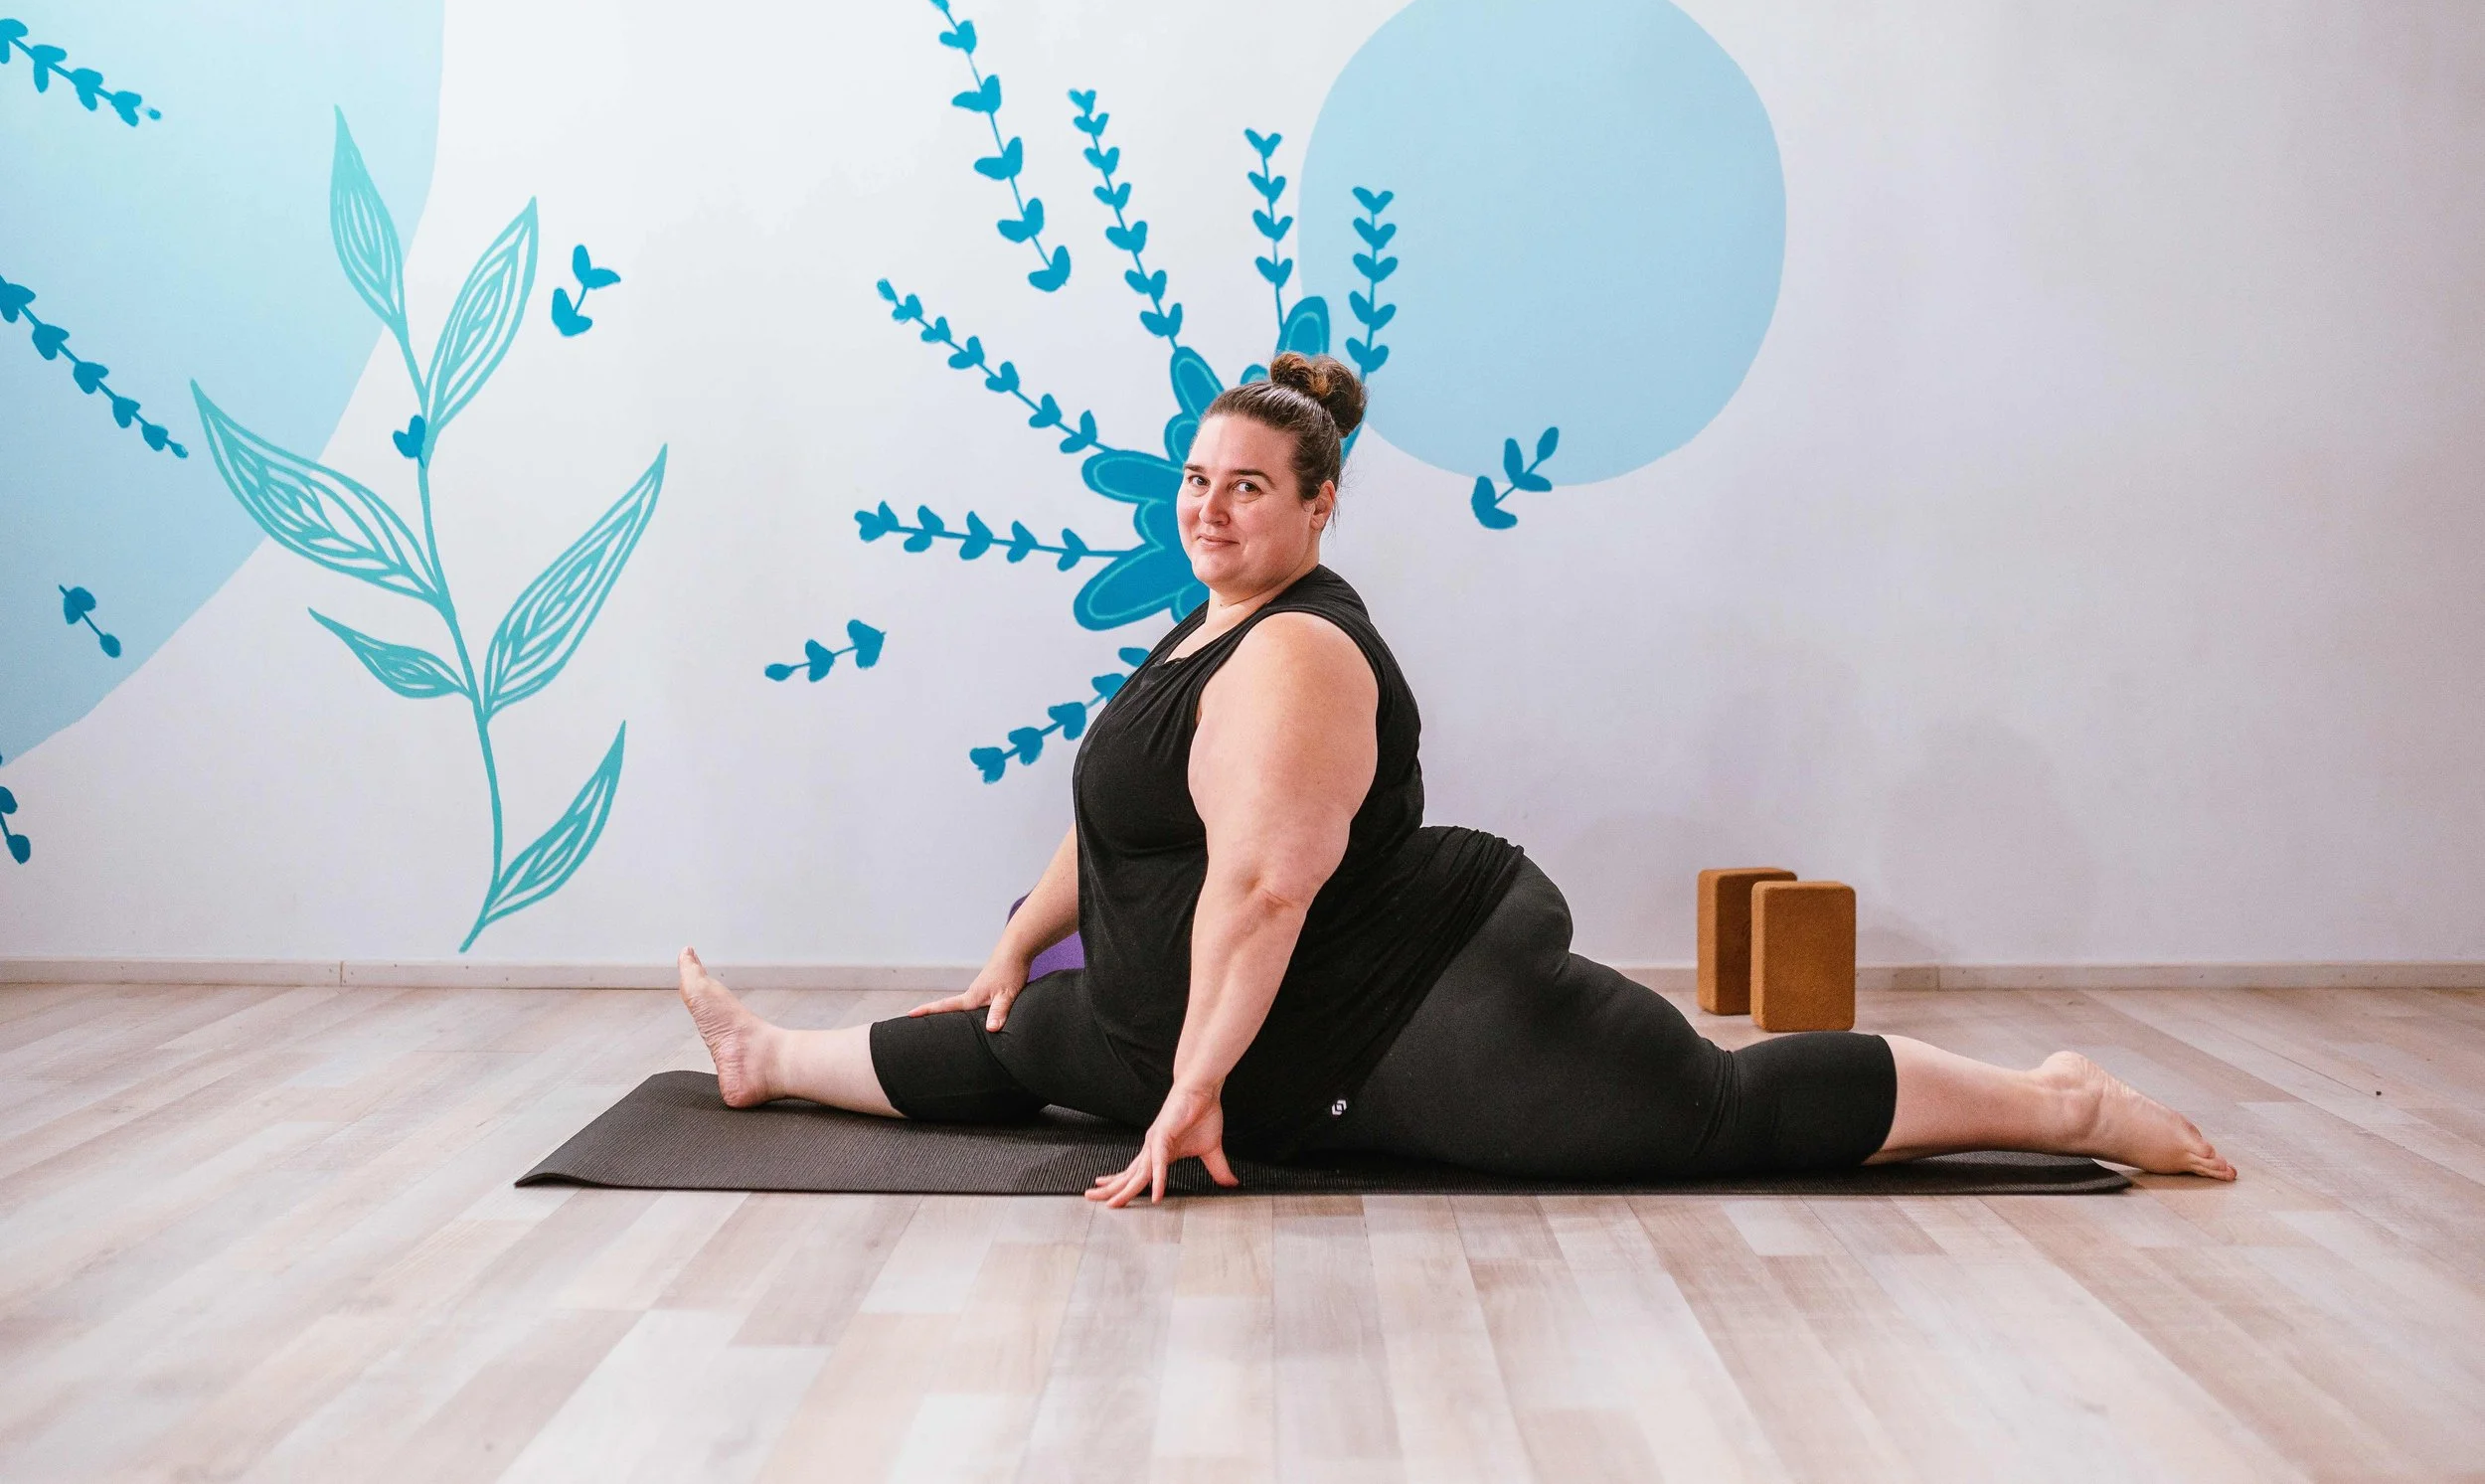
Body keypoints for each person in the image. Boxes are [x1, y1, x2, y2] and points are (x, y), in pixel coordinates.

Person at [680, 352, 2236, 1207]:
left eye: (1249, 487)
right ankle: (769, 1060)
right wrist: (1019, 943)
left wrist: (1198, 1090)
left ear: (1317, 505)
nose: (1211, 505)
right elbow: (1124, 824)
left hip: (1413, 996)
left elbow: (1264, 883)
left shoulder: (1295, 655)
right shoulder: (1197, 627)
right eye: (1199, 478)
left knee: (1711, 1113)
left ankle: (2053, 1101)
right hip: (1204, 1003)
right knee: (1021, 1037)